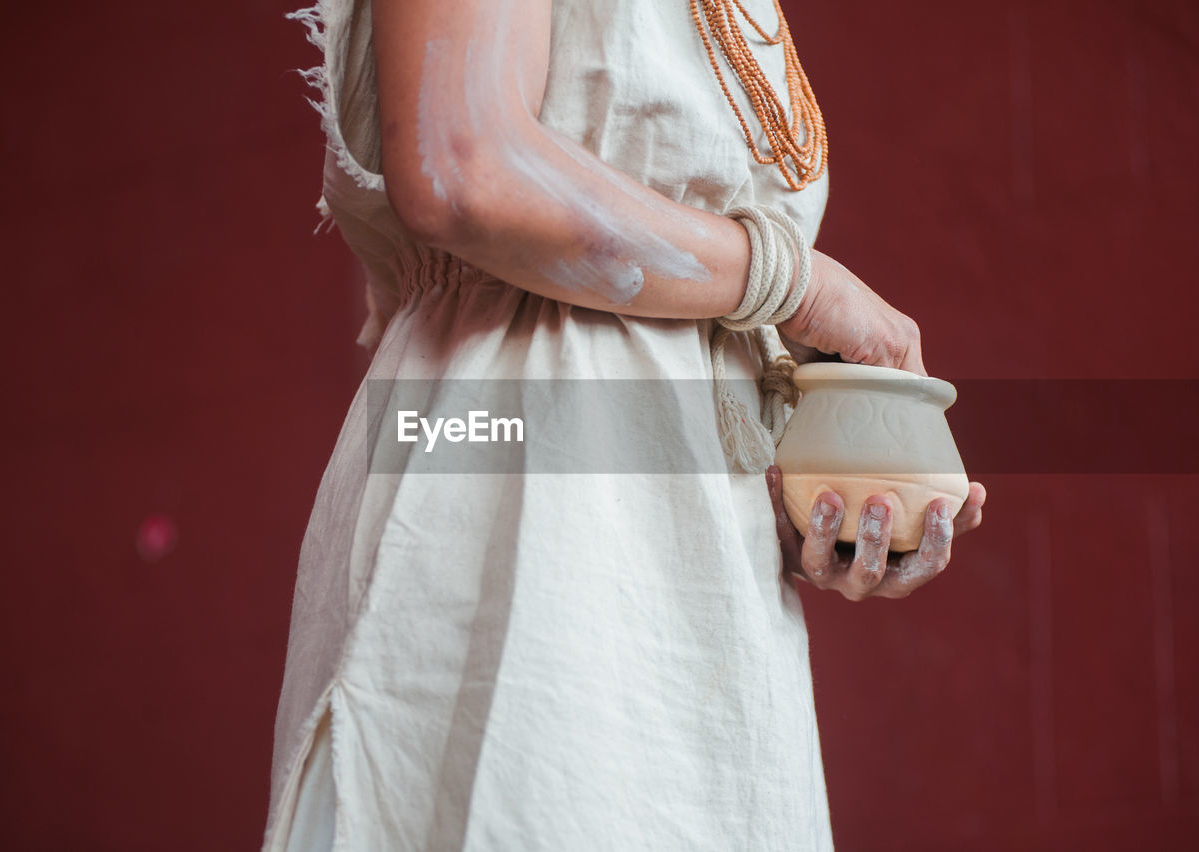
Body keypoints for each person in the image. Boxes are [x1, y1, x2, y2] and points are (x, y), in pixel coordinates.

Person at [265, 1, 987, 849]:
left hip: (709, 591)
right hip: (524, 499)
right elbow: (464, 167)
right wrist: (804, 288)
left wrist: (793, 491)